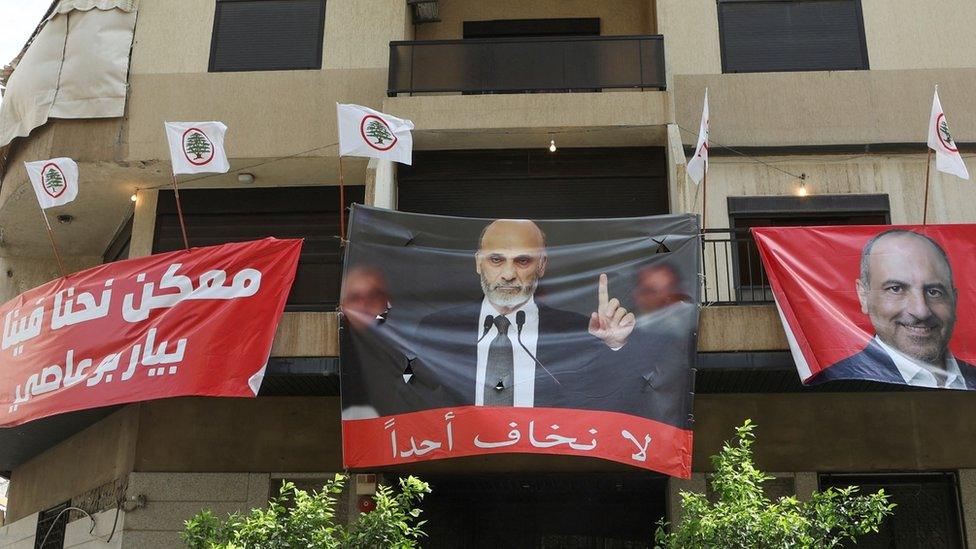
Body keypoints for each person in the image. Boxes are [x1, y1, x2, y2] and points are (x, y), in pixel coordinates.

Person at [415, 219, 638, 409]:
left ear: (542, 265)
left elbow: (610, 400)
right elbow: (412, 404)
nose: (509, 274)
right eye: (496, 260)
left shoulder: (576, 332)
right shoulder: (437, 329)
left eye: (523, 261)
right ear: (478, 263)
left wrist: (615, 347)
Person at [817, 229, 976, 389]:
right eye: (896, 288)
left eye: (934, 292)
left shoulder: (972, 377)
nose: (921, 311)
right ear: (863, 295)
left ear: (954, 299)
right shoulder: (835, 386)